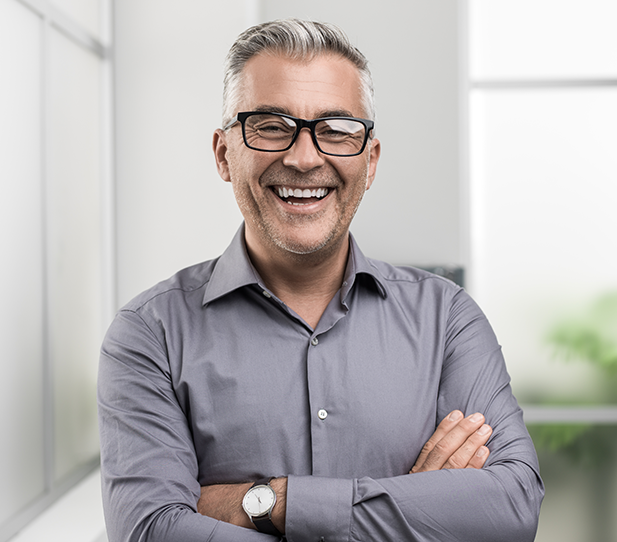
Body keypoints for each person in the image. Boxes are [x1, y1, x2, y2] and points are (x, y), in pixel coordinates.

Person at [98, 19, 544, 542]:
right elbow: (152, 531)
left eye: (336, 130)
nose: (305, 157)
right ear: (224, 154)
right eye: (269, 125)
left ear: (370, 159)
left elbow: (511, 508)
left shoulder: (447, 319)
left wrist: (272, 502)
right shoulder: (148, 335)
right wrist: (414, 511)